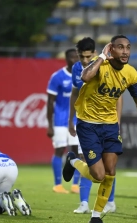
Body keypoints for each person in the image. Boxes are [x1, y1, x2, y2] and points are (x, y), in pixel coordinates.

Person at [63, 35, 137, 223]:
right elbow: (85, 77)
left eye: (128, 48)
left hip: (110, 126)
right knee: (98, 175)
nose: (125, 52)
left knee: (111, 172)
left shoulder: (131, 73)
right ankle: (73, 160)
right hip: (88, 124)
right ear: (111, 49)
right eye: (120, 47)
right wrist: (101, 57)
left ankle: (96, 217)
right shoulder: (99, 66)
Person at [69, 37, 120, 214]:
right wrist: (71, 120)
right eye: (81, 57)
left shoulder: (106, 65)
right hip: (85, 123)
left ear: (95, 53)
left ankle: (110, 201)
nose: (84, 61)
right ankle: (84, 203)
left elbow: (118, 96)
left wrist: (117, 121)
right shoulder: (76, 69)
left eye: (88, 57)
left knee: (108, 165)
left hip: (106, 123)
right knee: (88, 161)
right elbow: (75, 93)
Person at [46, 48, 81, 194]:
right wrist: (49, 125)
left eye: (76, 57)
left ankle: (75, 185)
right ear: (66, 59)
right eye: (71, 58)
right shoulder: (57, 77)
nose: (74, 60)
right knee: (60, 150)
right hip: (60, 121)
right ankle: (58, 184)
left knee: (77, 152)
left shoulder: (81, 76)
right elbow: (50, 102)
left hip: (77, 120)